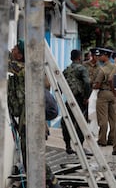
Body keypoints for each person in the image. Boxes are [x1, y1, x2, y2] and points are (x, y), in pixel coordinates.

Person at [7, 39, 61, 188]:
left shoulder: (24, 69)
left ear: (20, 56)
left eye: (15, 49)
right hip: (30, 120)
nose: (12, 49)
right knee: (31, 159)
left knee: (33, 159)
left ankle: (54, 184)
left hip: (31, 122)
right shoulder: (29, 68)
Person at [62, 50, 91, 155]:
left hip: (69, 99)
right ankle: (80, 147)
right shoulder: (82, 69)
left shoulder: (66, 70)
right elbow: (87, 82)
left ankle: (68, 146)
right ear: (79, 58)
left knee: (67, 121)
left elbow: (60, 83)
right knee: (80, 122)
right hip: (79, 99)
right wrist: (87, 97)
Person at [93, 47, 116, 147]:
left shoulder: (103, 69)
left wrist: (93, 86)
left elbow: (97, 84)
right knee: (113, 119)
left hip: (103, 94)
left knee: (103, 119)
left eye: (101, 55)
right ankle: (112, 139)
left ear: (106, 56)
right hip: (114, 94)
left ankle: (102, 140)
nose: (99, 57)